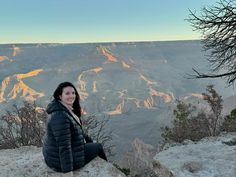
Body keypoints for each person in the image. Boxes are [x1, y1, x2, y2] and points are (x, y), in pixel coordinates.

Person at [42, 82, 107, 177]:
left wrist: (90, 141)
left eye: (73, 93)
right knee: (98, 147)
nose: (71, 96)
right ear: (60, 96)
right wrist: (68, 173)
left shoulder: (63, 109)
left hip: (53, 157)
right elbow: (64, 147)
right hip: (58, 162)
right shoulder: (61, 116)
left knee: (93, 144)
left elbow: (77, 131)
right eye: (67, 93)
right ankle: (106, 171)